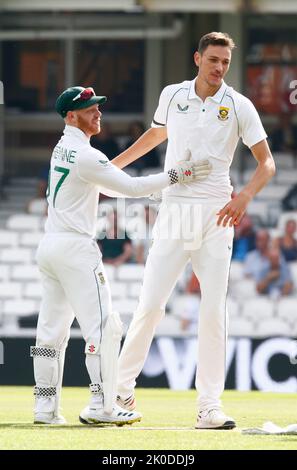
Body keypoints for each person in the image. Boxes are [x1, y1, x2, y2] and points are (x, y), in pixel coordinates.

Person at [112, 32, 276, 430]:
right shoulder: (173, 95)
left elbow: (266, 163)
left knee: (212, 311)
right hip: (175, 209)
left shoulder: (239, 105)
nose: (219, 68)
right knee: (151, 304)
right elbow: (155, 135)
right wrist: (111, 169)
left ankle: (209, 406)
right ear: (197, 58)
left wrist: (245, 197)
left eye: (225, 62)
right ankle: (119, 393)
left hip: (217, 215)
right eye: (213, 60)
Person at [30, 85, 212, 426]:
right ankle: (103, 405)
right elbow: (129, 187)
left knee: (50, 333)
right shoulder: (87, 155)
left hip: (50, 245)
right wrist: (177, 175)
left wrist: (154, 188)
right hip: (75, 248)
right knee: (104, 328)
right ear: (71, 116)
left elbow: (107, 187)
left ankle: (45, 409)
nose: (98, 113)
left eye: (97, 106)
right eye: (89, 109)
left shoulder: (63, 148)